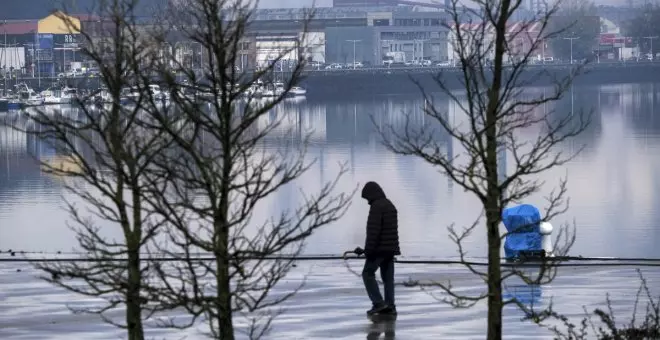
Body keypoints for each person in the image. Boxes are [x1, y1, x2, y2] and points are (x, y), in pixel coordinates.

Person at [353, 181, 400, 316]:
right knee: (388, 279)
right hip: (390, 249)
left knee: (367, 274)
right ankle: (390, 306)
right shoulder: (390, 205)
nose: (367, 201)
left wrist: (367, 251)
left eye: (367, 198)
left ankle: (378, 303)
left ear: (372, 194)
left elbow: (374, 232)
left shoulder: (376, 207)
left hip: (379, 250)